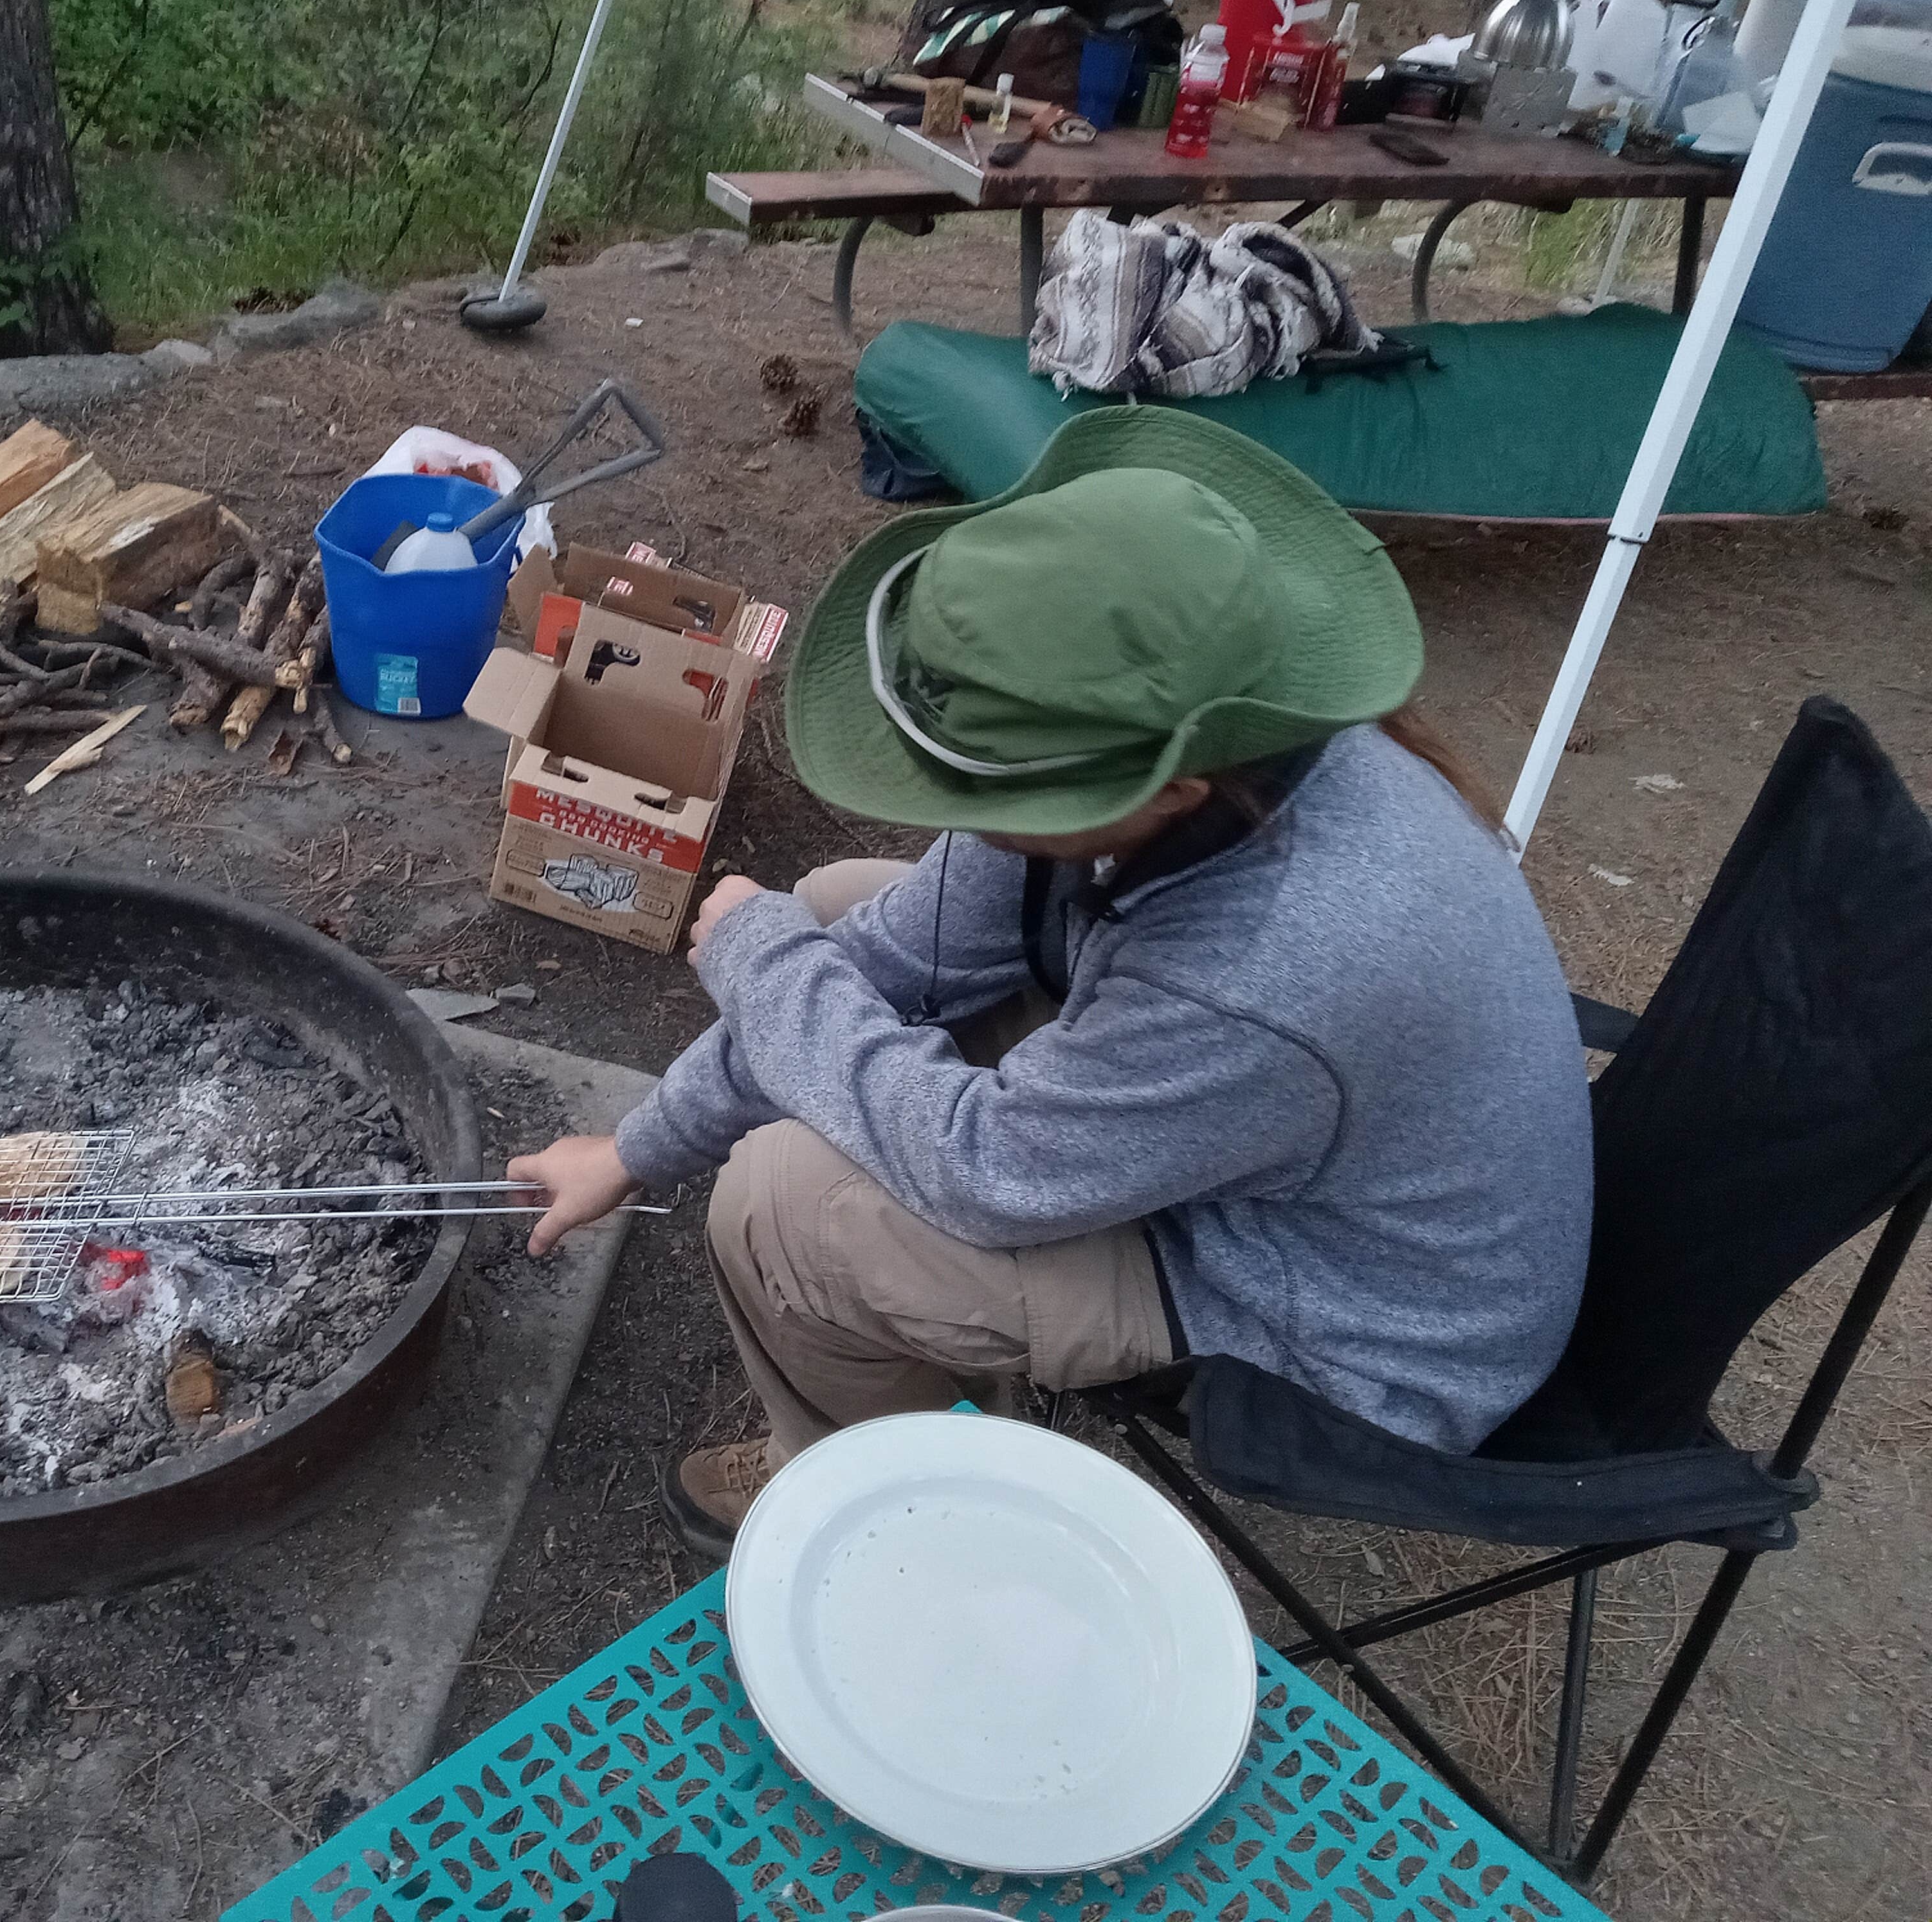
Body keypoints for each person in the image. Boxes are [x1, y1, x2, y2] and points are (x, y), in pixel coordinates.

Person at [511, 406, 1594, 1558]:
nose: (968, 826)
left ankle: (887, 1533)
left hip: (1351, 1328)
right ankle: (897, 1423)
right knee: (832, 911)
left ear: (1170, 793)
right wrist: (633, 1151)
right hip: (1275, 1161)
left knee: (784, 1206)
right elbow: (884, 957)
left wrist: (761, 965)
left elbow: (989, 1174)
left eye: (1001, 807)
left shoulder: (1272, 962)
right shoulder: (1167, 743)